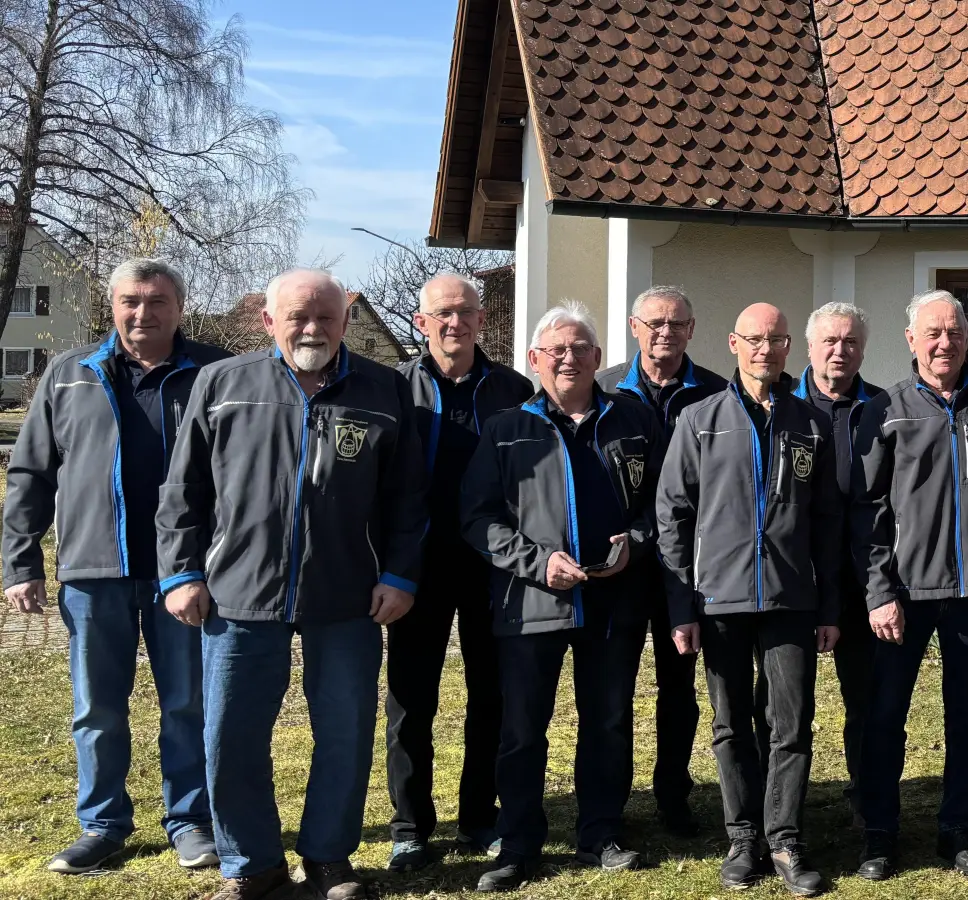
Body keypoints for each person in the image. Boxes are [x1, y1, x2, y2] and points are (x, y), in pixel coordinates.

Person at [157, 268, 428, 900]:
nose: (313, 329)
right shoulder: (221, 384)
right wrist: (181, 573)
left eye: (326, 318)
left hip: (349, 594)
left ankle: (329, 858)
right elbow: (183, 491)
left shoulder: (383, 390)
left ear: (345, 322)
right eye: (299, 317)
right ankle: (252, 862)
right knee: (230, 732)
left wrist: (398, 573)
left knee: (346, 728)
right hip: (237, 591)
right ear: (267, 320)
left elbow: (407, 498)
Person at [2, 258, 229, 875]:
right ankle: (102, 825)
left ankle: (190, 820)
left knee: (186, 702)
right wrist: (21, 560)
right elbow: (29, 474)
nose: (142, 313)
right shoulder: (69, 373)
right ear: (113, 306)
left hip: (184, 573)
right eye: (131, 301)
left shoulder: (214, 373)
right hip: (92, 571)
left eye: (157, 302)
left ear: (179, 307)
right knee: (97, 707)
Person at [461, 303, 664, 892]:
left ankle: (600, 831)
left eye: (580, 348)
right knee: (522, 729)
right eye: (556, 350)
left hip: (612, 602)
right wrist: (535, 561)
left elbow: (664, 502)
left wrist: (640, 543)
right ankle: (520, 842)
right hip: (530, 605)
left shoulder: (632, 420)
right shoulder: (506, 429)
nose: (569, 358)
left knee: (607, 720)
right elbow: (478, 518)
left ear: (599, 358)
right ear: (534, 361)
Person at [657, 303, 841, 896]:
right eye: (755, 339)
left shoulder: (811, 424)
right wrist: (682, 606)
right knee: (731, 723)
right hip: (719, 599)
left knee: (790, 723)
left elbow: (828, 525)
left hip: (791, 599)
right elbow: (672, 516)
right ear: (734, 343)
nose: (766, 349)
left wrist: (831, 607)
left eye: (777, 339)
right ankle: (743, 838)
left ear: (790, 347)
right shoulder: (700, 419)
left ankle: (784, 838)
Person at [850, 289, 968, 881]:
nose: (945, 343)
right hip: (903, 595)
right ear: (911, 341)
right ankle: (879, 832)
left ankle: (959, 828)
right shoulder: (886, 410)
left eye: (954, 332)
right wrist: (878, 591)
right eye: (933, 333)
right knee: (885, 716)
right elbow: (866, 510)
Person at [385, 273, 534, 871]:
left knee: (490, 697)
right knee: (409, 700)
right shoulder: (393, 389)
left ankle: (479, 816)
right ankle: (409, 827)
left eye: (465, 313)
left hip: (492, 568)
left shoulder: (515, 390)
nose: (454, 323)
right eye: (442, 314)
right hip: (415, 568)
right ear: (421, 323)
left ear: (481, 320)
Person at [596, 284, 728, 835]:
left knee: (680, 690)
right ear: (634, 327)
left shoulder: (716, 393)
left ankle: (674, 795)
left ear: (691, 330)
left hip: (690, 568)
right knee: (613, 690)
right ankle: (611, 804)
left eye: (675, 324)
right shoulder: (603, 391)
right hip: (621, 568)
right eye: (654, 323)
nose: (664, 333)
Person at [791, 302, 882, 824]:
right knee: (785, 708)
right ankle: (781, 811)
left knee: (867, 703)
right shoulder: (781, 407)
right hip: (792, 581)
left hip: (859, 581)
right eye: (829, 341)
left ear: (862, 349)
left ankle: (867, 802)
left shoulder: (883, 408)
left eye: (850, 342)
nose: (839, 350)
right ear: (809, 347)